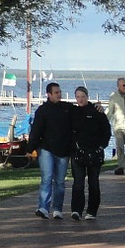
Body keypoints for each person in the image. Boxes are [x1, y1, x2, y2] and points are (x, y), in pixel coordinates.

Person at [26, 82, 73, 219]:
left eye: (60, 92)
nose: (59, 94)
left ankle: (57, 209)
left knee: (60, 181)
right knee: (46, 178)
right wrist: (30, 148)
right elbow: (36, 131)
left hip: (63, 150)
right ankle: (43, 208)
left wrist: (96, 107)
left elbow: (82, 110)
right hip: (46, 149)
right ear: (49, 94)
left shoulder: (67, 108)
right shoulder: (42, 110)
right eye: (56, 92)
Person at [70, 85, 111, 220]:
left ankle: (92, 211)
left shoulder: (97, 112)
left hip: (95, 153)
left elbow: (106, 131)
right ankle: (76, 210)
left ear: (87, 97)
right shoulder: (73, 111)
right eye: (78, 97)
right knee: (78, 183)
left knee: (93, 183)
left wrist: (101, 147)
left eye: (83, 97)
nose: (80, 100)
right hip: (78, 153)